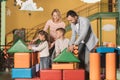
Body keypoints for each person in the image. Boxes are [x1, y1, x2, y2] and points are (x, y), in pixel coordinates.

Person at [66, 10, 98, 80]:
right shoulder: (72, 23)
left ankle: (89, 77)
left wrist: (74, 45)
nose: (70, 22)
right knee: (78, 59)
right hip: (81, 42)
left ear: (76, 17)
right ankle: (81, 76)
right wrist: (70, 45)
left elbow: (83, 35)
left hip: (89, 42)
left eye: (71, 20)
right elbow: (73, 35)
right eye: (69, 21)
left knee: (87, 62)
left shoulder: (85, 21)